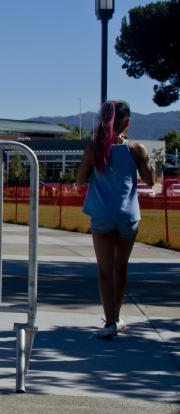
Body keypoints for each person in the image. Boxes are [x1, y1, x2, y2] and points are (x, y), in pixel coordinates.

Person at [76, 100, 153, 339]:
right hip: (129, 216)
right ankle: (117, 316)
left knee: (105, 270)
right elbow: (150, 180)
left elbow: (80, 179)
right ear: (127, 123)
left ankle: (109, 322)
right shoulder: (136, 149)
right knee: (121, 267)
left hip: (101, 216)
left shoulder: (94, 149)